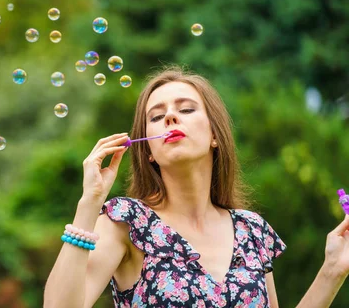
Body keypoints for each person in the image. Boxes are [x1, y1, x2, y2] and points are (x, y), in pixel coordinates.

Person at [44, 66, 349, 307]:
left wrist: (333, 269)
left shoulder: (251, 231)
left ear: (215, 135)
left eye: (186, 110)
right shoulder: (127, 223)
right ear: (148, 150)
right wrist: (89, 203)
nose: (171, 117)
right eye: (157, 116)